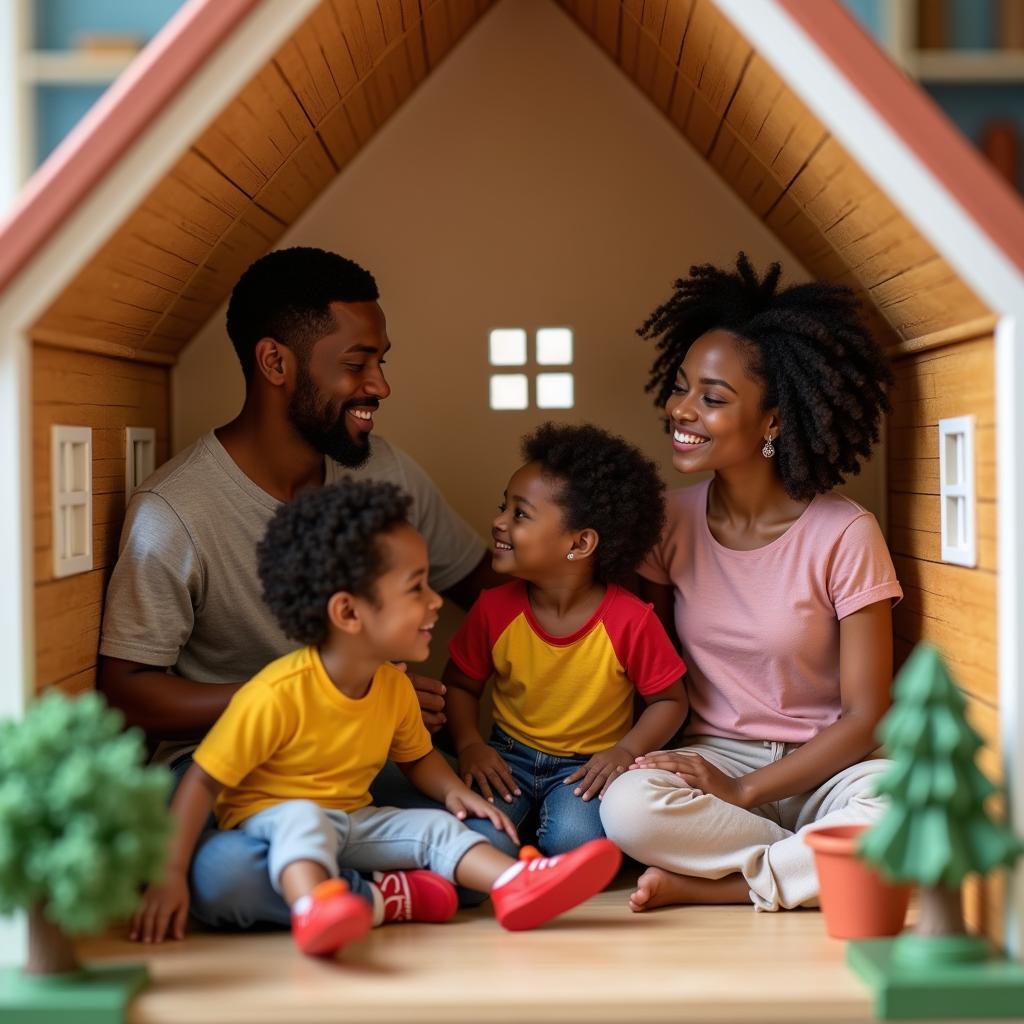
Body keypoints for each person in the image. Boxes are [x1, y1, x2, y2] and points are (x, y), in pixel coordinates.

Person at [99, 247, 501, 930]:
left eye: (381, 361)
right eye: (356, 364)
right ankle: (378, 894)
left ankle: (336, 895)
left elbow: (487, 589)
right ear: (276, 363)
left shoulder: (386, 473)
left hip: (356, 765)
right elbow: (127, 689)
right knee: (224, 882)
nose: (380, 385)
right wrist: (302, 700)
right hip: (227, 775)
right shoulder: (176, 511)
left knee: (492, 838)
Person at [129, 479, 621, 954]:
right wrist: (168, 876)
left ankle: (515, 884)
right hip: (273, 825)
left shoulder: (391, 685)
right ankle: (331, 903)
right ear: (348, 613)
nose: (435, 602)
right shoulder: (274, 693)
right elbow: (199, 783)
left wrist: (457, 794)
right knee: (271, 841)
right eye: (417, 588)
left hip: (353, 821)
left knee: (444, 832)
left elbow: (418, 759)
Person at [598, 253, 903, 914]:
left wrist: (747, 795)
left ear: (774, 421)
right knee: (627, 809)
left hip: (833, 767)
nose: (681, 409)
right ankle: (810, 866)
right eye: (682, 387)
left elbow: (867, 715)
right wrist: (714, 780)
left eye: (712, 398)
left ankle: (734, 885)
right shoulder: (668, 522)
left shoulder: (845, 532)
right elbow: (652, 674)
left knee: (901, 810)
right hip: (716, 758)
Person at [443, 423, 688, 858]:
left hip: (585, 771)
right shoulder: (493, 609)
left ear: (580, 542)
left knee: (575, 844)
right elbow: (460, 686)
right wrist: (470, 746)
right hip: (506, 760)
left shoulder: (631, 620)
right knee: (475, 845)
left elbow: (670, 702)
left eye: (519, 514)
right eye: (505, 507)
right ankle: (523, 847)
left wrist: (626, 751)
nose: (498, 522)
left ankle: (540, 847)